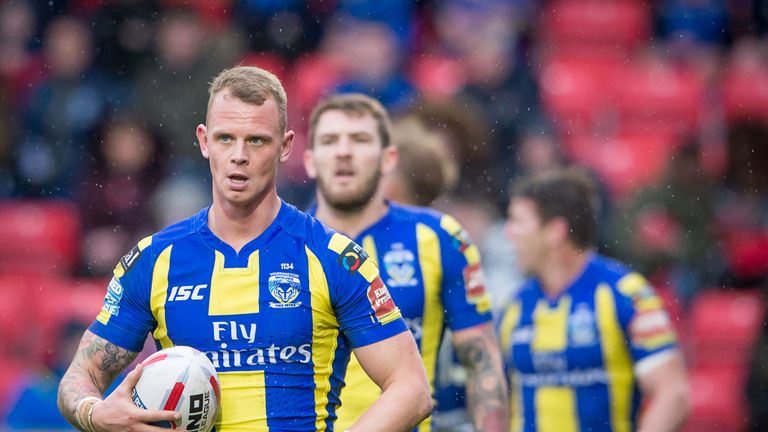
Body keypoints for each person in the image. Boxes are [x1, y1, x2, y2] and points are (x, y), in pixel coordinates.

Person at [57, 66, 432, 432]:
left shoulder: (335, 258)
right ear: (204, 141)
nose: (239, 155)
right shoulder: (154, 260)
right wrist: (94, 413)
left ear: (285, 146)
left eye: (256, 140)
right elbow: (81, 375)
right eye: (225, 138)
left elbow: (412, 390)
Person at [303, 93, 509, 432]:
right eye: (329, 140)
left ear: (389, 159)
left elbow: (483, 364)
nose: (344, 151)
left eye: (360, 139)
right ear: (310, 161)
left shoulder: (442, 238)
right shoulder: (282, 246)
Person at [499, 167, 690, 431]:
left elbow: (672, 394)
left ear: (555, 231)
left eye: (517, 221)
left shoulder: (627, 295)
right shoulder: (514, 307)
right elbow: (497, 401)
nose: (509, 233)